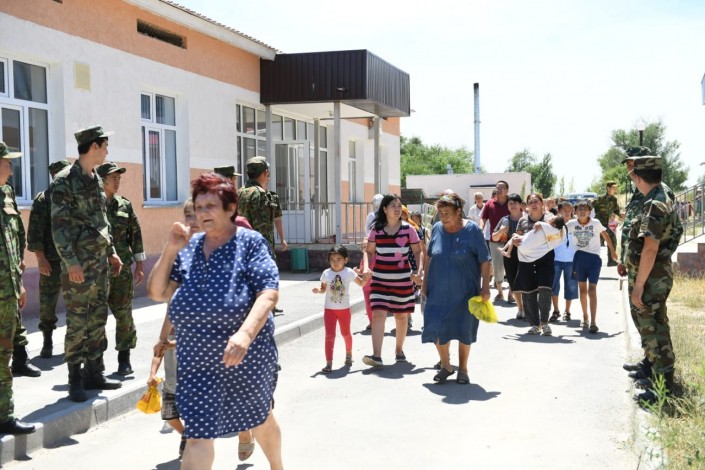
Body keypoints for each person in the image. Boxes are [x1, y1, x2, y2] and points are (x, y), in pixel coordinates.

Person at [147, 173, 283, 470]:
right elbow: (157, 292)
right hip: (196, 361)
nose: (202, 213)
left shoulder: (250, 243)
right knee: (197, 436)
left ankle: (277, 466)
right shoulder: (188, 248)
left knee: (259, 419)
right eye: (198, 207)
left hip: (246, 357)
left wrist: (245, 335)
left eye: (210, 206)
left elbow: (268, 293)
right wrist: (170, 249)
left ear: (231, 208)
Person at [51, 126, 124, 402]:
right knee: (77, 321)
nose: (107, 151)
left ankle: (94, 372)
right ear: (94, 146)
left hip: (99, 264)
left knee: (97, 318)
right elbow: (58, 227)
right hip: (78, 266)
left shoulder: (96, 179)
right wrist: (70, 262)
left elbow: (102, 221)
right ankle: (75, 379)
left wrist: (112, 252)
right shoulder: (65, 181)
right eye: (105, 146)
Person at [624, 156, 682, 405]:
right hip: (655, 274)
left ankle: (662, 391)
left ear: (638, 178)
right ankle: (660, 382)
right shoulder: (660, 197)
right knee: (656, 328)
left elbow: (650, 248)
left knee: (654, 332)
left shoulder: (655, 204)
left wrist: (638, 285)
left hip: (651, 278)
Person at [421, 192, 491, 384]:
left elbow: (485, 260)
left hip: (465, 291)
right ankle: (446, 365)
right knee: (435, 325)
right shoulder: (437, 228)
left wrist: (485, 287)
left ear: (458, 211)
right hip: (438, 289)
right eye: (441, 213)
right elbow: (429, 257)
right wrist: (425, 284)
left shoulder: (472, 230)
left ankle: (463, 369)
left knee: (463, 328)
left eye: (447, 213)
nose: (443, 217)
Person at [361, 194, 422, 368]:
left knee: (401, 316)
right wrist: (366, 267)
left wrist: (418, 271)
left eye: (399, 205)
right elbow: (369, 251)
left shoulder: (409, 229)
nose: (397, 209)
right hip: (380, 280)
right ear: (385, 209)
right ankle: (376, 356)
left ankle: (399, 350)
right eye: (393, 206)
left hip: (402, 280)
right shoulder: (377, 229)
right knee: (378, 314)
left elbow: (418, 251)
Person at [0, 142, 36, 435]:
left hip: (7, 290)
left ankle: (4, 415)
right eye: (7, 162)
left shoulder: (6, 194)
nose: (11, 169)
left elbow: (13, 244)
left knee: (4, 353)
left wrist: (20, 284)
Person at [97, 162, 145, 376]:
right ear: (102, 180)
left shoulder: (124, 205)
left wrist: (140, 265)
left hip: (122, 270)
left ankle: (124, 358)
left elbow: (136, 235)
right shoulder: (92, 206)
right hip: (98, 270)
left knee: (124, 314)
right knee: (97, 317)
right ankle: (96, 360)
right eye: (113, 178)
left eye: (119, 178)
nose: (117, 182)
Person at [27, 159, 71, 359]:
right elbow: (34, 232)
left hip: (72, 262)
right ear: (55, 177)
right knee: (47, 305)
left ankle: (73, 343)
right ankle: (47, 341)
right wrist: (40, 258)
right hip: (51, 262)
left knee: (75, 304)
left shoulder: (73, 198)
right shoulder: (43, 199)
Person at [238, 156, 286, 314]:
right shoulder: (260, 194)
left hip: (241, 246)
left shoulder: (240, 192)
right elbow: (262, 226)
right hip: (259, 248)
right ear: (265, 173)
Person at [566, 200, 618, 333]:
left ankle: (593, 322)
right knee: (582, 290)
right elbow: (558, 232)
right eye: (580, 209)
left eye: (585, 209)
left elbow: (605, 235)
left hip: (594, 259)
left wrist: (612, 251)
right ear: (575, 212)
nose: (582, 211)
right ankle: (585, 317)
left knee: (592, 290)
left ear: (590, 212)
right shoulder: (571, 224)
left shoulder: (595, 223)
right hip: (579, 259)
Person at [312, 245, 364, 373]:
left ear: (345, 260)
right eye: (332, 260)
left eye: (338, 259)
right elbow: (323, 289)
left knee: (345, 333)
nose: (335, 263)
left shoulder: (349, 272)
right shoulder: (326, 273)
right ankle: (328, 363)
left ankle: (349, 354)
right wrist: (318, 290)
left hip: (344, 310)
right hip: (329, 310)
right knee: (329, 335)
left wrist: (368, 277)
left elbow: (362, 283)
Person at [512, 193, 556, 336]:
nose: (533, 204)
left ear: (542, 203)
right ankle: (534, 325)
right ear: (527, 205)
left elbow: (557, 232)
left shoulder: (550, 218)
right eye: (530, 202)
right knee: (528, 292)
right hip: (527, 260)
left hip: (546, 258)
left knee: (545, 290)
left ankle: (545, 323)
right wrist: (515, 239)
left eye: (536, 201)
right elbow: (517, 235)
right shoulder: (523, 220)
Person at [492, 193, 525, 318]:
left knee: (526, 281)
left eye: (515, 203)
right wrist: (502, 230)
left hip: (526, 252)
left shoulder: (527, 218)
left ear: (521, 204)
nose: (513, 205)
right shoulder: (505, 219)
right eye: (510, 203)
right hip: (510, 254)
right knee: (513, 281)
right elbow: (494, 237)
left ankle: (527, 307)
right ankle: (520, 308)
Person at [480, 181, 510, 302]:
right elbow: (483, 218)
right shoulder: (490, 203)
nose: (499, 190)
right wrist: (480, 228)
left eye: (502, 188)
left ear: (507, 190)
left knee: (512, 266)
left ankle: (512, 293)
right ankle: (500, 293)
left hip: (511, 240)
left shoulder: (512, 202)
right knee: (498, 267)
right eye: (497, 188)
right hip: (495, 241)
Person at [550, 201, 579, 322]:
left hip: (571, 260)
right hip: (556, 259)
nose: (568, 213)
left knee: (571, 286)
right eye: (565, 210)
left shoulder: (576, 224)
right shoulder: (553, 225)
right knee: (554, 286)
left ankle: (567, 311)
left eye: (570, 210)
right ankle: (556, 310)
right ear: (559, 211)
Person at [499, 215, 565, 260]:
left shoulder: (548, 228)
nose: (549, 219)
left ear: (553, 225)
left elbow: (537, 225)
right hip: (528, 248)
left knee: (514, 236)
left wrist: (540, 224)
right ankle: (505, 250)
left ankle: (507, 252)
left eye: (551, 219)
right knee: (514, 236)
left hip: (525, 245)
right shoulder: (555, 231)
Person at [592, 181, 621, 265]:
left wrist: (620, 214)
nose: (615, 189)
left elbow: (616, 210)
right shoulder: (600, 198)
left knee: (611, 239)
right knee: (596, 242)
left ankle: (611, 260)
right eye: (613, 188)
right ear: (608, 188)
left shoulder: (614, 199)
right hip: (599, 224)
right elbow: (589, 206)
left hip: (605, 224)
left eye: (615, 188)